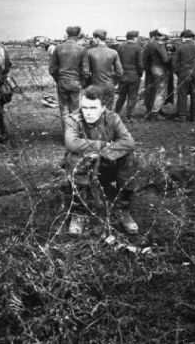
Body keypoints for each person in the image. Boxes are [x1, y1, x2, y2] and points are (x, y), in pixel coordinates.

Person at [63, 85, 139, 236]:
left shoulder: (112, 118)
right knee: (74, 158)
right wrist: (104, 146)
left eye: (93, 108)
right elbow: (71, 143)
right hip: (84, 169)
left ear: (103, 107)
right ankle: (79, 212)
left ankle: (122, 209)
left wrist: (104, 154)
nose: (88, 112)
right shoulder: (73, 119)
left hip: (106, 167)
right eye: (84, 107)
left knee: (130, 158)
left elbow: (129, 142)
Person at [49, 26, 87, 131]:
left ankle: (67, 135)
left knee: (64, 110)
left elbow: (52, 69)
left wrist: (58, 79)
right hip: (76, 82)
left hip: (62, 81)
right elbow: (85, 71)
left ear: (67, 34)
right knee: (76, 110)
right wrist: (82, 82)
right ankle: (74, 135)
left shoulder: (58, 48)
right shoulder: (82, 49)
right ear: (78, 35)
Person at [83, 29, 123, 110]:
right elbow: (120, 72)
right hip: (109, 85)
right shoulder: (113, 52)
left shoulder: (90, 52)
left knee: (96, 108)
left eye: (93, 38)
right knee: (108, 109)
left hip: (95, 85)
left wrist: (88, 84)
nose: (93, 40)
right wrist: (113, 83)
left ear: (97, 39)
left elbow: (86, 72)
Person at [173, 29, 195, 122]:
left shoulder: (180, 47)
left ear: (183, 37)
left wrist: (178, 73)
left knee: (182, 94)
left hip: (183, 72)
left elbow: (174, 63)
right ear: (191, 37)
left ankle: (182, 116)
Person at [114, 30, 143, 121]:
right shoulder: (138, 47)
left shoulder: (120, 47)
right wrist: (140, 74)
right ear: (135, 37)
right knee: (132, 96)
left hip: (123, 75)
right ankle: (129, 116)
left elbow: (117, 62)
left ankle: (116, 113)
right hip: (134, 75)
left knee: (121, 96)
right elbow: (140, 64)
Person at [142, 29, 170, 121]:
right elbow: (165, 59)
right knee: (161, 92)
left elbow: (145, 58)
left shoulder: (149, 43)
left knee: (153, 91)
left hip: (152, 69)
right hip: (160, 68)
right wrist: (170, 56)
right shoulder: (159, 44)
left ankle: (151, 110)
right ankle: (155, 113)